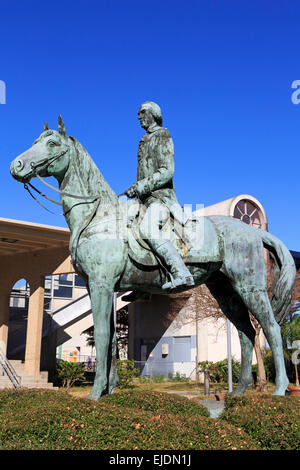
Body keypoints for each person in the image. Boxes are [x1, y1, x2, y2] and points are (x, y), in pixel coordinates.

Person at [124, 101, 195, 295]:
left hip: (161, 198)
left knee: (147, 228)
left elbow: (167, 171)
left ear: (153, 114)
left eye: (142, 113)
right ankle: (142, 282)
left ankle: (181, 272)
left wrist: (143, 185)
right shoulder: (144, 139)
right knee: (123, 227)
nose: (139, 116)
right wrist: (136, 189)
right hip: (143, 200)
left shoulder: (163, 135)